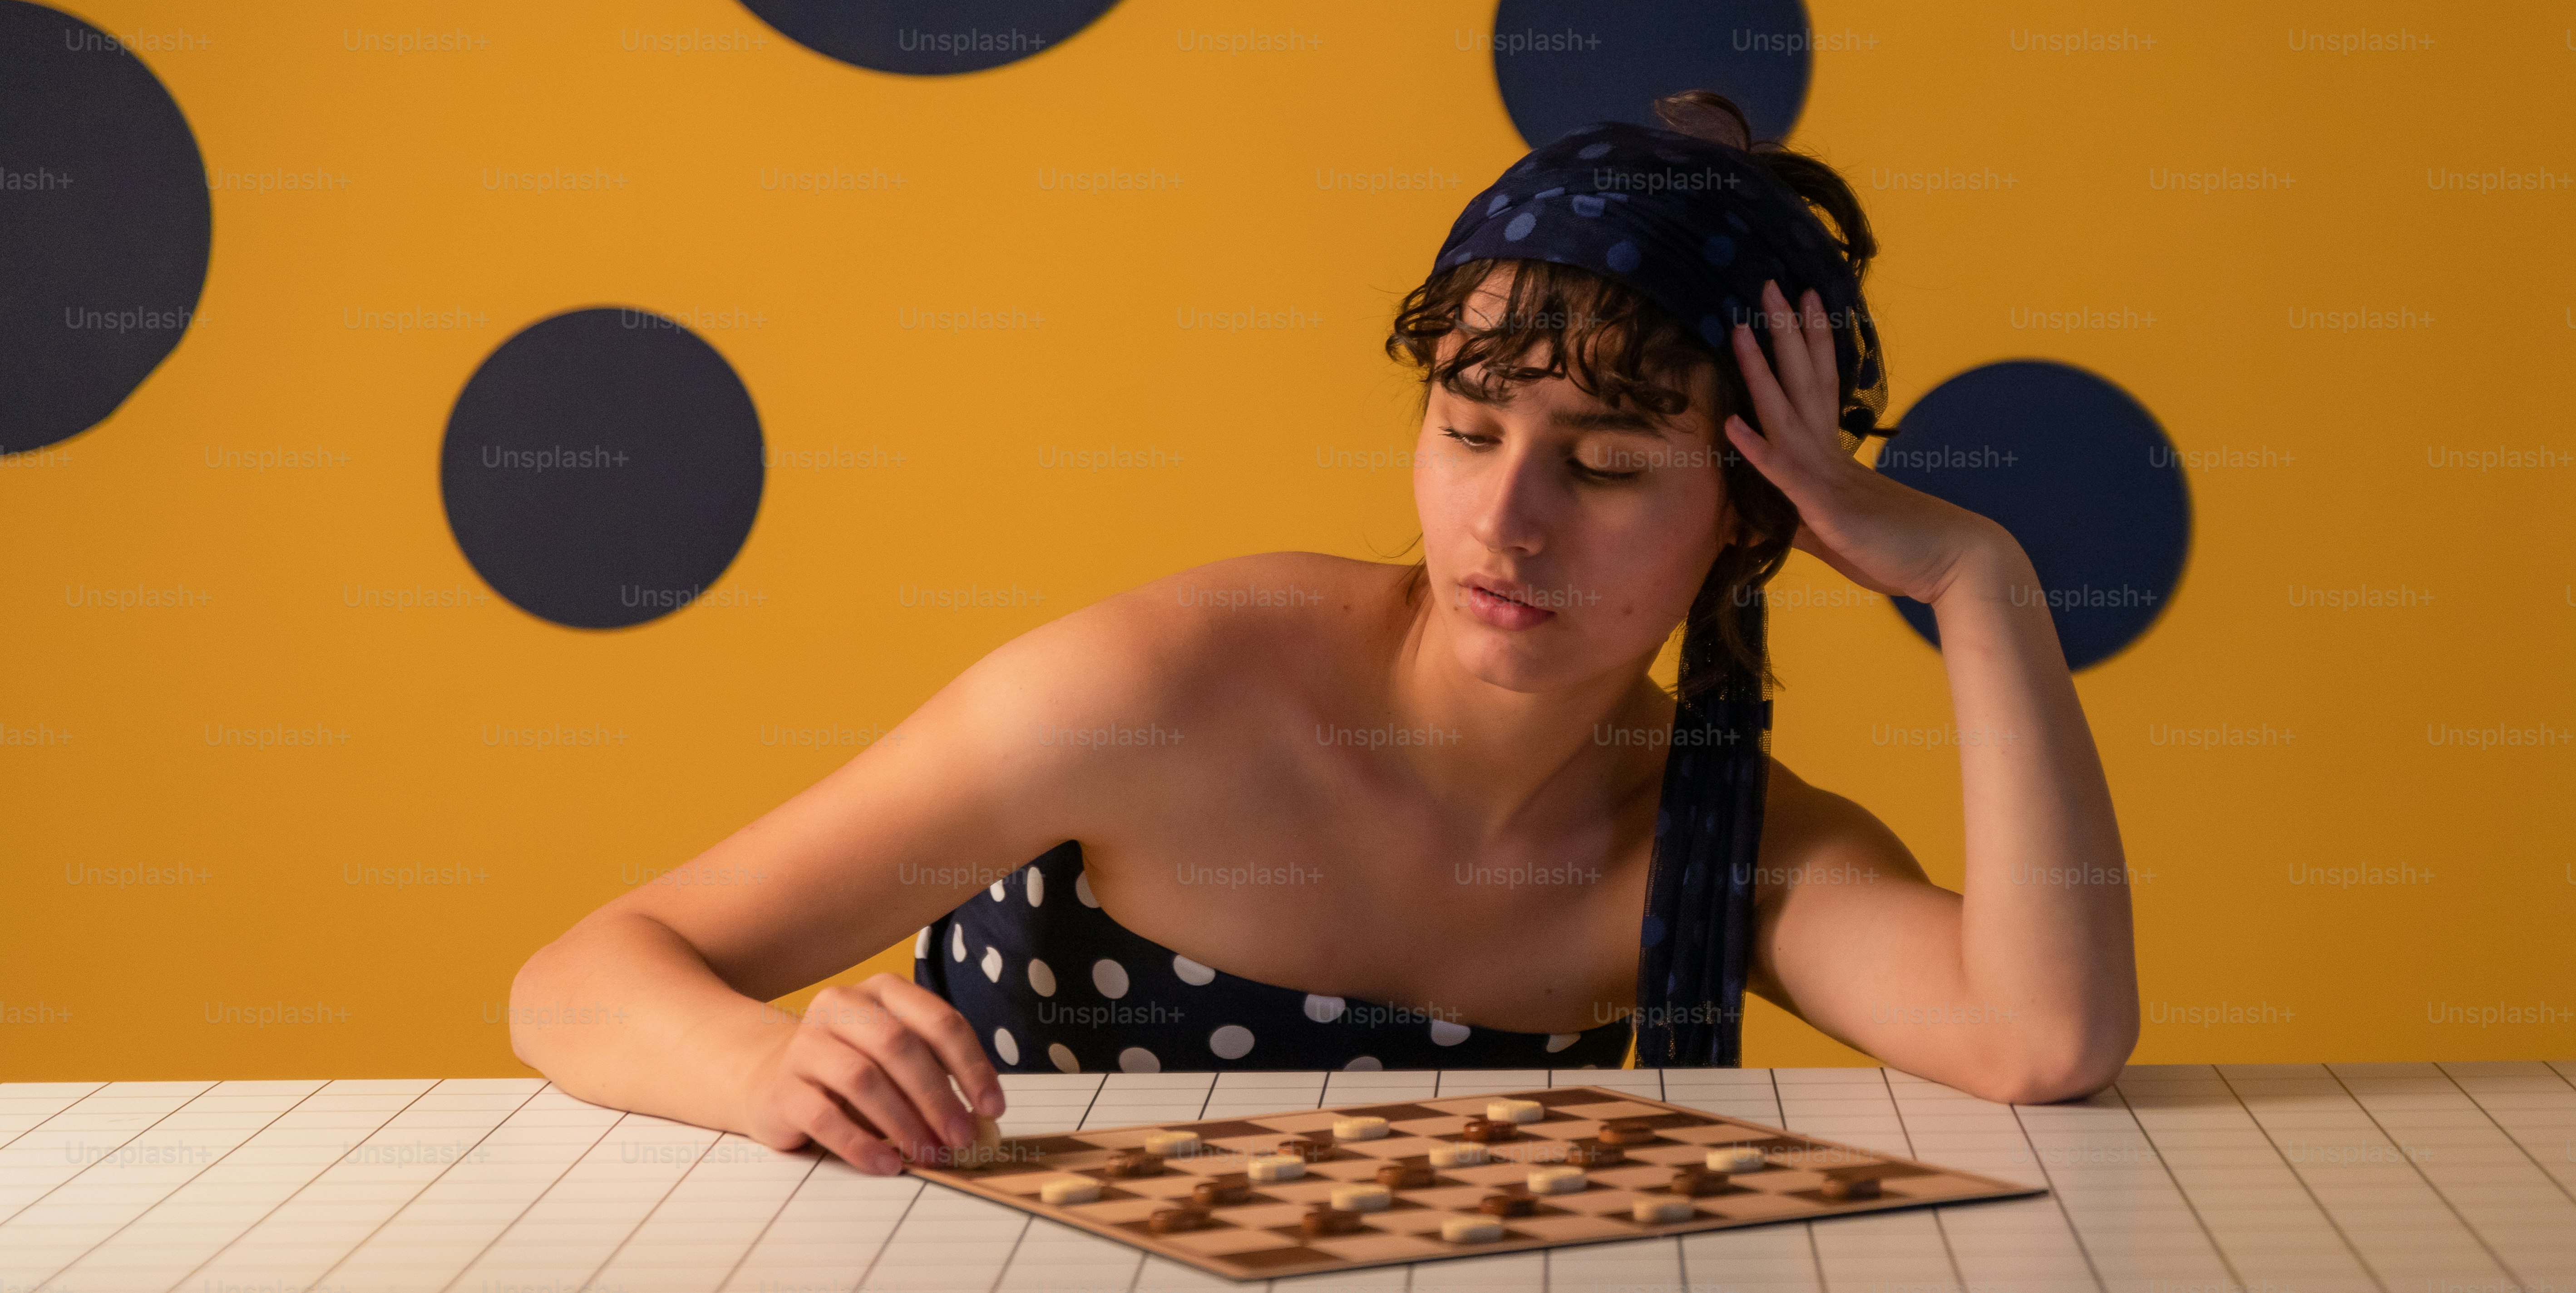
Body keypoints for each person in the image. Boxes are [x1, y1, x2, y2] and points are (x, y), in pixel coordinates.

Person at [509, 91, 2137, 1175]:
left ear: (1751, 513)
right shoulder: (1167, 685)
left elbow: (2042, 1034)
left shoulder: (1714, 835)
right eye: (1468, 429)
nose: (1506, 520)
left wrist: (1975, 578)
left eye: (1605, 466)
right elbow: (581, 978)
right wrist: (768, 1070)